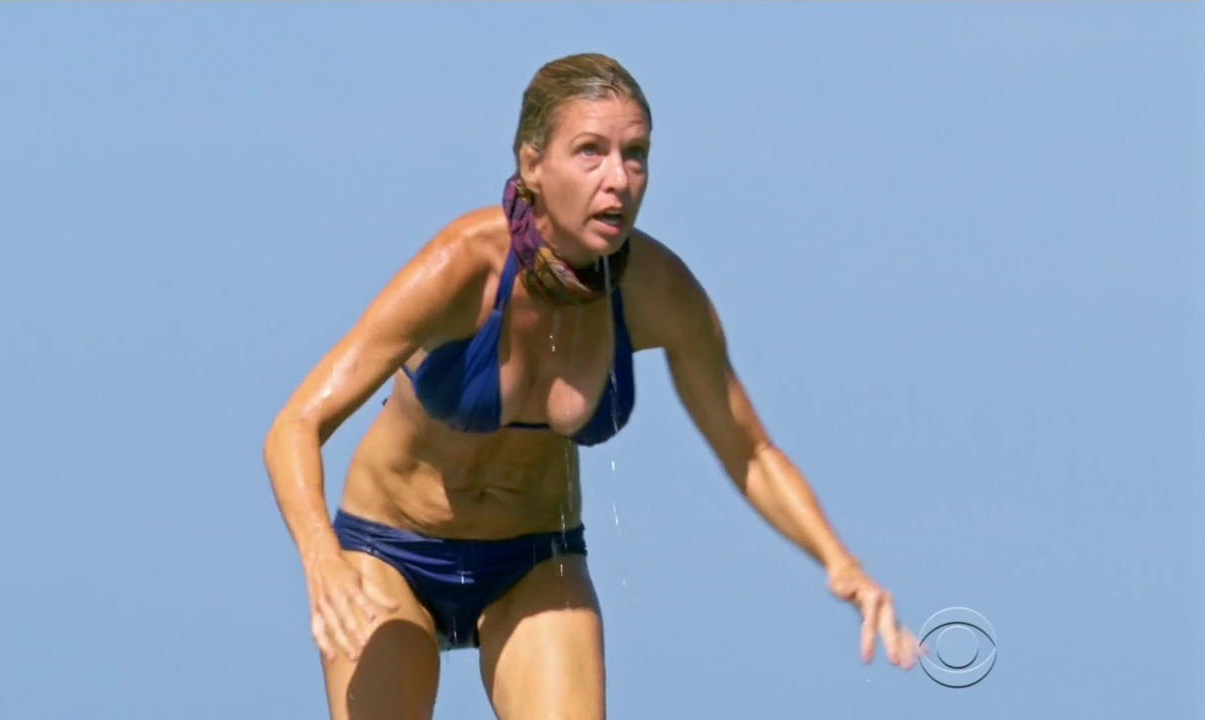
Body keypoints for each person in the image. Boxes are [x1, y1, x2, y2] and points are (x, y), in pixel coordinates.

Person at [263, 51, 922, 720]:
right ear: (532, 165)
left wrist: (840, 562)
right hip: (388, 553)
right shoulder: (462, 268)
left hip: (533, 563)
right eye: (590, 152)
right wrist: (322, 560)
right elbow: (294, 427)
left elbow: (749, 451)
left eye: (635, 155)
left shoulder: (659, 290)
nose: (619, 180)